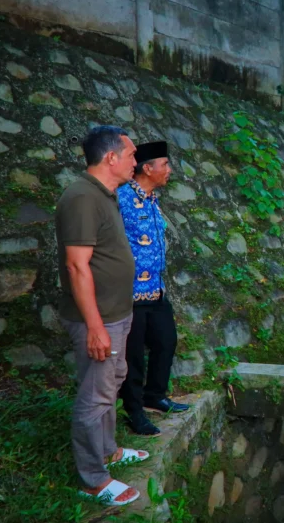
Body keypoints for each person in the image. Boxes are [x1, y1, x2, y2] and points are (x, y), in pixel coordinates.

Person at [56, 126, 147, 506]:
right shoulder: (81, 198)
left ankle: (108, 450)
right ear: (111, 158)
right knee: (95, 395)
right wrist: (95, 327)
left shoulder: (104, 195)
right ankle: (93, 479)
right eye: (131, 156)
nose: (135, 163)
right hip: (99, 319)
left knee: (112, 381)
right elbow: (77, 267)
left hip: (117, 313)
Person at [117, 141, 189, 436]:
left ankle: (154, 395)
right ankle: (133, 411)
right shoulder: (121, 198)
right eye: (165, 165)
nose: (169, 170)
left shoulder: (151, 199)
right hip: (130, 293)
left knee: (166, 341)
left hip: (156, 290)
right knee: (132, 356)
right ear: (147, 168)